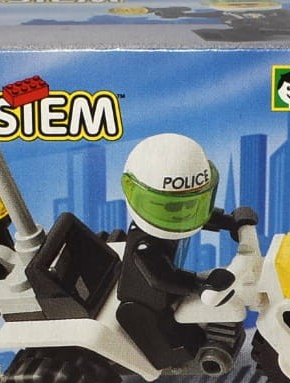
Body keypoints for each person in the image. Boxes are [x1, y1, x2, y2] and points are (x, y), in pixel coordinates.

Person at [108, 133, 258, 369]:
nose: (183, 214)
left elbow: (197, 214)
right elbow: (163, 278)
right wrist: (199, 283)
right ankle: (194, 356)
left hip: (169, 290)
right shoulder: (144, 247)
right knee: (177, 347)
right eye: (170, 207)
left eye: (193, 202)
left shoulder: (175, 218)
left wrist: (229, 222)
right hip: (146, 304)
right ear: (131, 190)